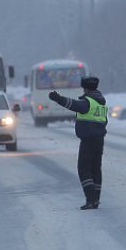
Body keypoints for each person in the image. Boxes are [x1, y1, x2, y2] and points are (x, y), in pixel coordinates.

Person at [48, 75, 108, 210]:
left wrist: (58, 99)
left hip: (88, 140)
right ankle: (96, 199)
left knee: (84, 169)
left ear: (86, 89)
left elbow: (73, 105)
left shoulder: (88, 102)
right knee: (95, 169)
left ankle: (90, 199)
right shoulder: (100, 102)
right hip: (99, 140)